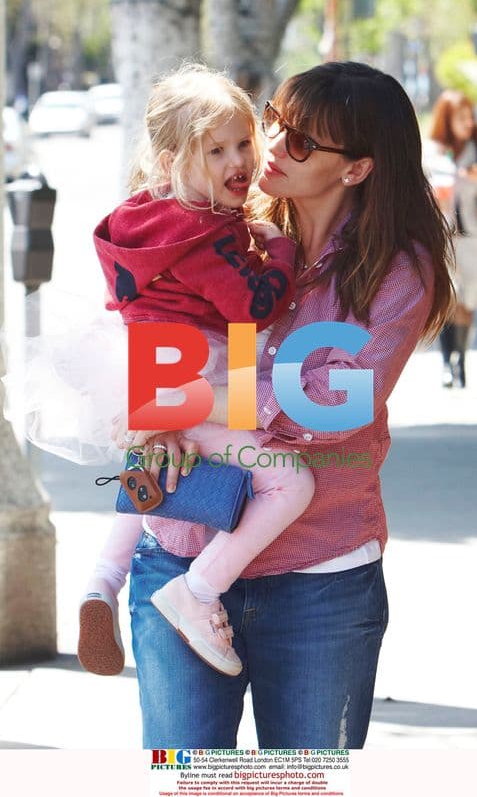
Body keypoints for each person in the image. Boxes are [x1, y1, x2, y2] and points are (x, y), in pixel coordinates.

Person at [120, 61, 455, 748]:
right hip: (179, 550)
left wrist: (181, 403)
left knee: (303, 786)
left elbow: (337, 402)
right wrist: (152, 403)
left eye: (300, 141)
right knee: (188, 787)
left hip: (317, 580)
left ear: (356, 169)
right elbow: (139, 329)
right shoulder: (223, 224)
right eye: (273, 119)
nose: (269, 144)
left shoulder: (397, 266)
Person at [78, 64, 316, 680]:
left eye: (243, 142)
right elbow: (252, 307)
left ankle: (102, 580)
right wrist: (281, 250)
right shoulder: (204, 234)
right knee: (291, 482)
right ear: (170, 159)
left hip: (153, 370)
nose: (238, 160)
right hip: (204, 378)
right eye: (215, 150)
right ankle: (200, 589)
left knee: (157, 464)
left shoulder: (141, 217)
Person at [426, 89, 477, 388]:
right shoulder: (433, 151)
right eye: (461, 117)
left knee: (467, 302)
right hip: (443, 238)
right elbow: (417, 189)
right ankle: (447, 363)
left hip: (474, 238)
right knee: (447, 299)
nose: (468, 122)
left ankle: (461, 361)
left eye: (470, 116)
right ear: (446, 119)